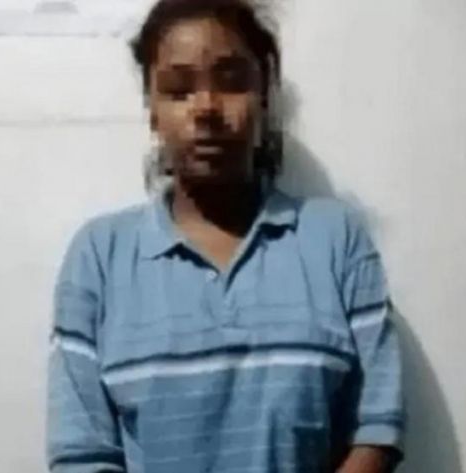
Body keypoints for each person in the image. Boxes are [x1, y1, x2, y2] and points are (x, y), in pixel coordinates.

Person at [46, 1, 405, 471]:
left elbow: (377, 426)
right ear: (153, 111)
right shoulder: (99, 257)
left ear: (263, 97)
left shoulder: (335, 240)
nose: (207, 108)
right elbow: (81, 454)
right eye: (179, 90)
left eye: (232, 81)